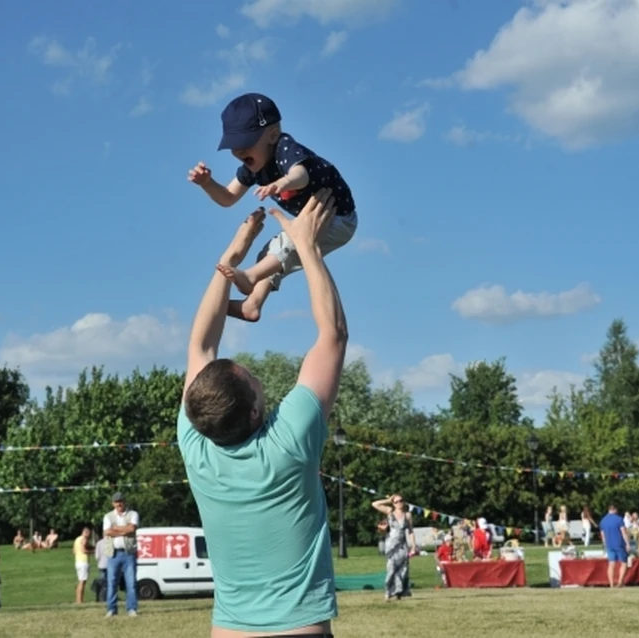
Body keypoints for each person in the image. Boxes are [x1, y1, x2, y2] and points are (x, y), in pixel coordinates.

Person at [178, 189, 347, 637]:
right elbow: (332, 334)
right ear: (255, 411)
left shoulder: (196, 442)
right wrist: (306, 247)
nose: (258, 376)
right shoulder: (288, 440)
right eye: (254, 379)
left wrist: (234, 253)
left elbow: (201, 345)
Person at [188, 93, 358, 324]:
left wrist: (281, 183)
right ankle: (253, 304)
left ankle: (251, 276)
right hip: (313, 219)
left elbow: (301, 175)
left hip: (337, 217)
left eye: (245, 143)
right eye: (234, 146)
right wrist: (207, 184)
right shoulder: (252, 168)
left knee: (288, 244)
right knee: (269, 253)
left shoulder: (285, 148)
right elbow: (228, 198)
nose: (239, 152)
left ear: (272, 135)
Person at [372, 495, 416, 601]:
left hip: (403, 545)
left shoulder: (408, 515)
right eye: (396, 501)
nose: (399, 503)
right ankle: (387, 592)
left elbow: (410, 531)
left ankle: (399, 592)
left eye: (401, 501)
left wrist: (413, 546)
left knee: (403, 570)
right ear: (393, 503)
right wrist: (387, 500)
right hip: (391, 545)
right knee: (391, 569)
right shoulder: (389, 512)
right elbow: (374, 504)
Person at [102, 492, 139, 617]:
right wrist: (124, 530)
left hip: (129, 553)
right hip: (113, 554)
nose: (119, 504)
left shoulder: (133, 514)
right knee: (112, 582)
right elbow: (107, 532)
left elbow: (132, 529)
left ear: (124, 501)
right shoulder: (108, 516)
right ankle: (111, 609)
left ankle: (131, 608)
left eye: (121, 501)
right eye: (116, 502)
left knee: (131, 583)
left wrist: (116, 528)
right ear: (113, 503)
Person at [598, 504, 631, 588]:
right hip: (619, 543)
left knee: (611, 563)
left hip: (609, 544)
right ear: (615, 509)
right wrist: (627, 543)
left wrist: (605, 545)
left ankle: (611, 584)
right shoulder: (619, 519)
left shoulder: (603, 521)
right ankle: (620, 582)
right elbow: (623, 532)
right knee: (623, 563)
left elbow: (603, 535)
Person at [73, 524, 94, 604]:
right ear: (86, 532)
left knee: (80, 581)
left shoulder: (77, 539)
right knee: (82, 581)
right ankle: (79, 600)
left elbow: (74, 551)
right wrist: (92, 552)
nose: (89, 535)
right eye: (89, 533)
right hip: (83, 561)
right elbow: (84, 550)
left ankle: (78, 599)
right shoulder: (84, 539)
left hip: (77, 561)